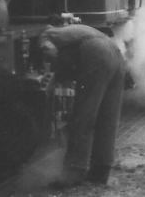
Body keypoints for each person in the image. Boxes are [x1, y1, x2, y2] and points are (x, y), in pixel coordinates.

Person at [40, 20, 126, 188]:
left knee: (84, 116)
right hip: (116, 53)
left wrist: (53, 77)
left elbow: (49, 52)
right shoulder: (74, 31)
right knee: (108, 117)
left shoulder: (46, 35)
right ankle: (100, 171)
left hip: (96, 54)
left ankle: (72, 174)